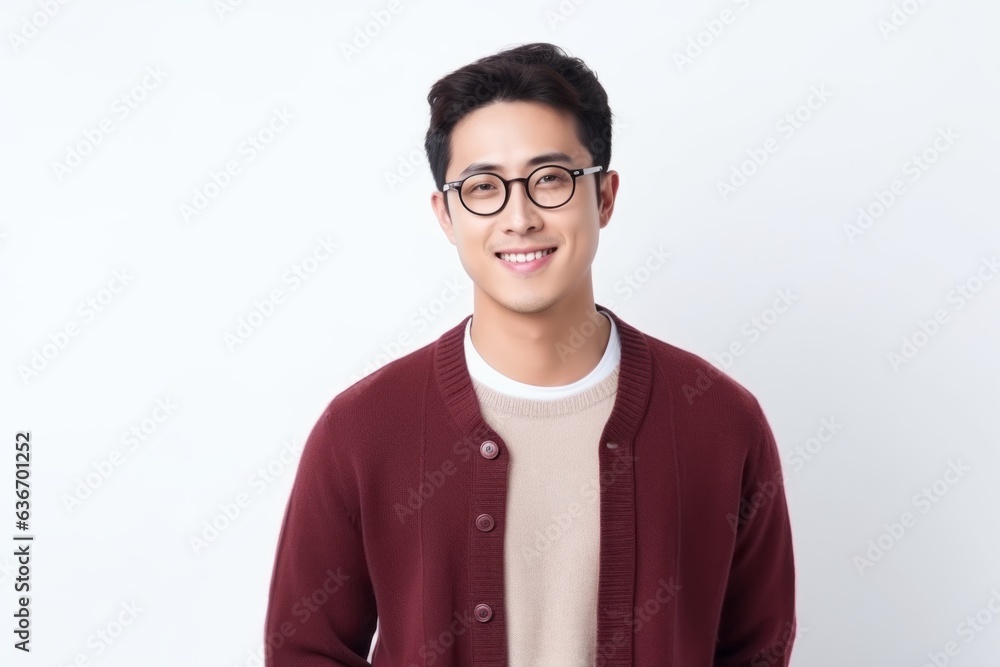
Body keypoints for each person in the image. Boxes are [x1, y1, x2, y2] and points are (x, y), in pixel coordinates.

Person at [264, 41, 796, 666]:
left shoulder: (720, 421)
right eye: (484, 187)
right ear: (446, 215)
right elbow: (305, 650)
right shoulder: (362, 429)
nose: (519, 217)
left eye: (550, 179)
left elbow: (756, 648)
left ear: (604, 197)